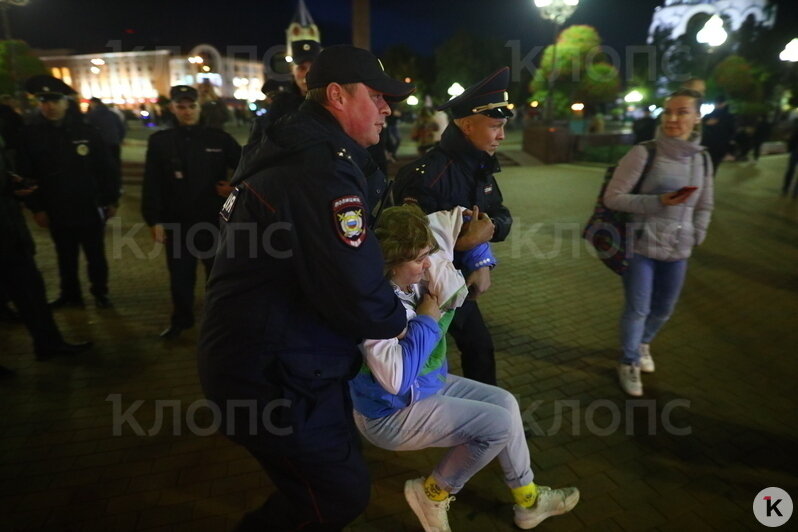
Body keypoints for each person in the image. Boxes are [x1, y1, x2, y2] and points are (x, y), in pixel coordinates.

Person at [197, 45, 415, 531]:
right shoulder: (317, 168)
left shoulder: (305, 149)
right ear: (336, 95)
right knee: (337, 494)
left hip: (284, 362)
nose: (388, 108)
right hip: (272, 375)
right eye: (377, 96)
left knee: (323, 487)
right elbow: (355, 288)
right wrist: (402, 313)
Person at [350, 204, 579, 531]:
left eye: (427, 253)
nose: (427, 263)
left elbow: (455, 217)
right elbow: (396, 379)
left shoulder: (414, 275)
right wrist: (428, 321)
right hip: (389, 413)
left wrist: (480, 254)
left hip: (424, 386)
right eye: (418, 258)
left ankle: (528, 501)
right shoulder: (377, 306)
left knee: (506, 404)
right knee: (497, 425)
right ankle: (432, 494)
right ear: (392, 260)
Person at [393, 67, 514, 386]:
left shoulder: (479, 166)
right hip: (426, 289)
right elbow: (405, 245)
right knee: (432, 355)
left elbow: (499, 216)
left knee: (478, 347)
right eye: (495, 126)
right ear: (466, 124)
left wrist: (482, 252)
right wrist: (464, 245)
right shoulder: (426, 175)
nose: (502, 136)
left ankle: (487, 414)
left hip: (456, 280)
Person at [604, 89, 714, 396]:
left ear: (697, 117)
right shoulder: (645, 152)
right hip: (642, 246)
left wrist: (697, 233)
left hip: (680, 248)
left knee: (664, 308)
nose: (673, 119)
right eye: (668, 112)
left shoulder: (701, 158)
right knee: (638, 308)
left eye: (681, 112)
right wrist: (657, 202)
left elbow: (705, 203)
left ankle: (642, 344)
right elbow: (612, 198)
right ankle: (628, 361)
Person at [141, 85, 240, 339]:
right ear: (172, 108)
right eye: (181, 107)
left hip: (213, 221)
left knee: (217, 277)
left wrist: (233, 187)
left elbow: (246, 168)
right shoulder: (160, 141)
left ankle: (220, 322)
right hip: (177, 223)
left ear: (199, 107)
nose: (187, 112)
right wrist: (153, 220)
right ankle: (182, 320)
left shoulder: (218, 139)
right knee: (180, 278)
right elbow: (152, 183)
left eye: (192, 106)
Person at [16, 75, 120, 309]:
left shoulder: (87, 131)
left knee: (96, 256)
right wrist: (37, 207)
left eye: (54, 101)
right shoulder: (31, 135)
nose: (49, 106)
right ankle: (70, 294)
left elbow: (106, 168)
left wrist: (111, 199)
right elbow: (27, 174)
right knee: (65, 256)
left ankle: (100, 292)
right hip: (56, 207)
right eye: (44, 101)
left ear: (65, 102)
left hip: (89, 205)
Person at [0, 137, 92, 361]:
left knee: (32, 291)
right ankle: (48, 343)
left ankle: (49, 344)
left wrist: (12, 184)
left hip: (11, 234)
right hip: (7, 234)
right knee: (29, 290)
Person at [87, 97, 126, 169]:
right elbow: (122, 129)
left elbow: (89, 131)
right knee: (115, 164)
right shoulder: (113, 114)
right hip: (114, 143)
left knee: (102, 167)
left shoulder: (92, 115)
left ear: (93, 103)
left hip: (101, 144)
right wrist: (119, 139)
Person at [702, 94, 736, 172]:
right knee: (713, 167)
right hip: (720, 147)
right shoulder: (729, 117)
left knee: (705, 167)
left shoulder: (710, 116)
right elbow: (732, 132)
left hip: (707, 145)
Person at [782, 118, 798, 198]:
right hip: (795, 150)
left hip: (795, 150)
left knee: (790, 170)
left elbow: (790, 138)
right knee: (790, 170)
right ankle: (794, 191)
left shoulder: (795, 127)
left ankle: (786, 188)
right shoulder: (795, 127)